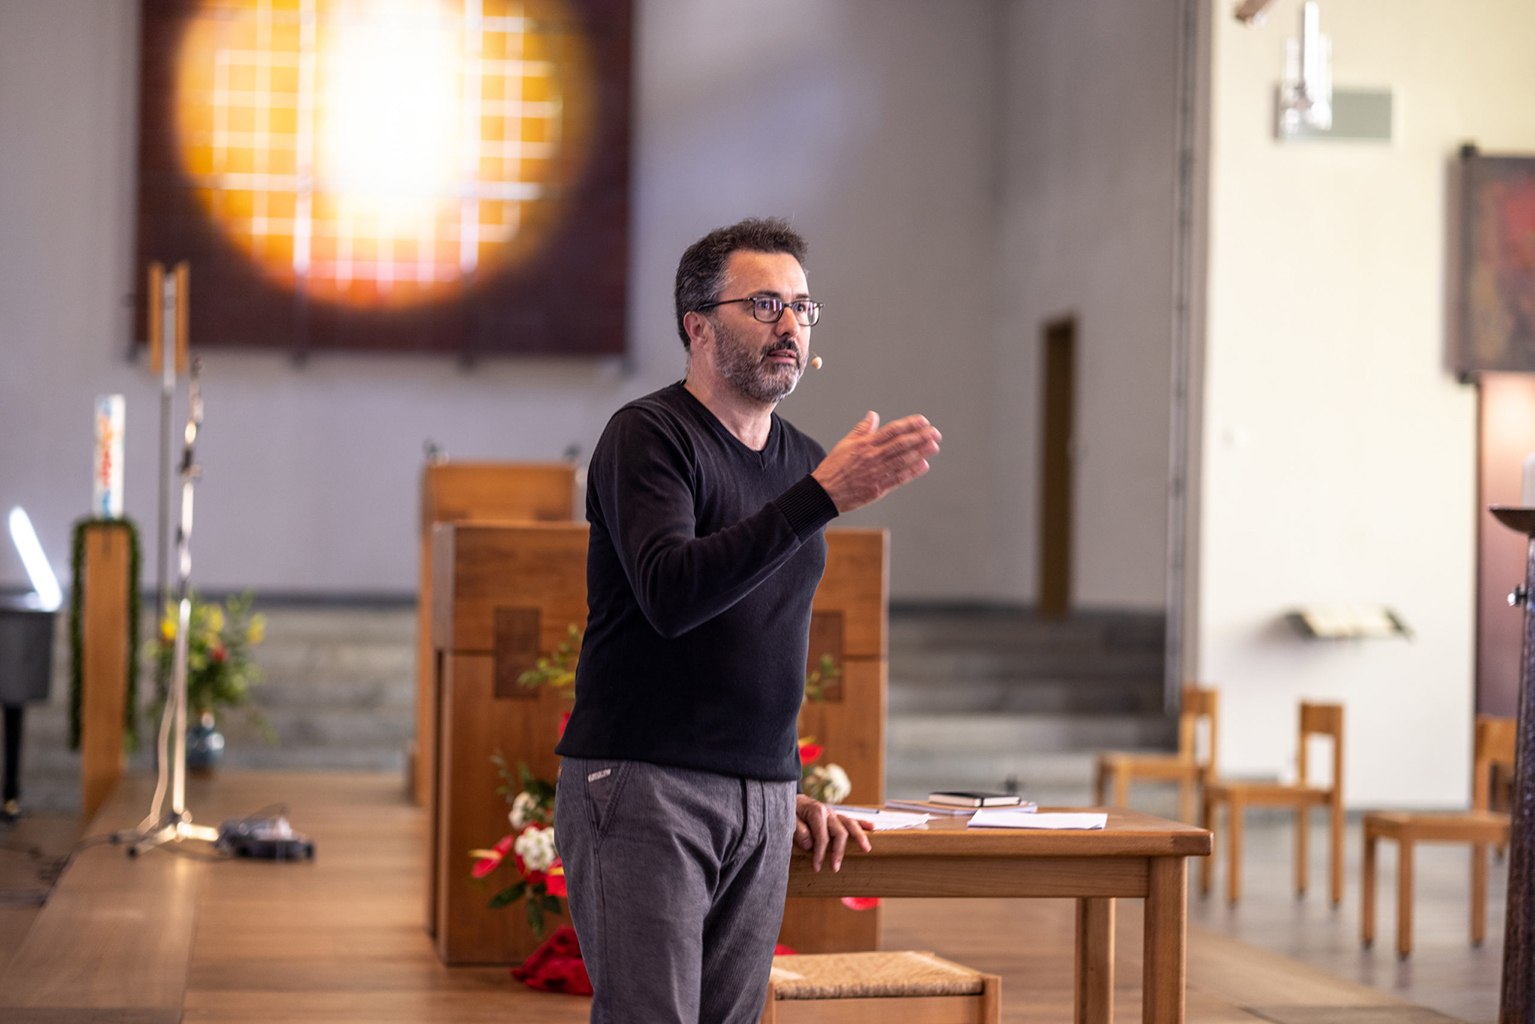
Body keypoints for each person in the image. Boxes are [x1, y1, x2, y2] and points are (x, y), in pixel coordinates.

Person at [553, 218, 941, 1024]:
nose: (790, 325)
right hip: (645, 780)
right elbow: (671, 593)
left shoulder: (802, 459)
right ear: (697, 325)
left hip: (762, 795)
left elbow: (765, 627)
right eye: (764, 304)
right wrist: (822, 498)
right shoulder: (649, 437)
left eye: (801, 307)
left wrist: (769, 784)